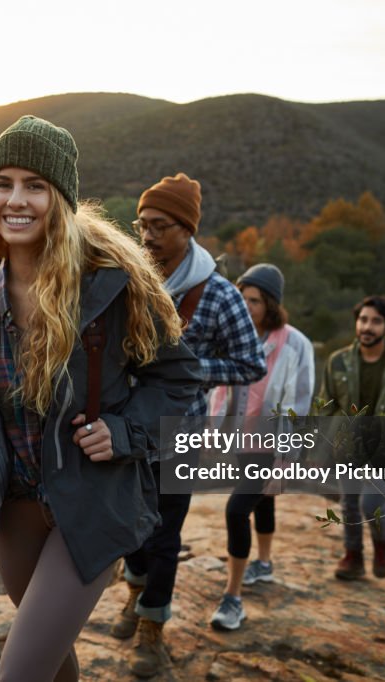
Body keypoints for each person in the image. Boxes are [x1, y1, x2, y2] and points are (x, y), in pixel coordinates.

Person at [0, 115, 202, 682]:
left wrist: (125, 432)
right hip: (13, 506)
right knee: (51, 665)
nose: (16, 199)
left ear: (61, 198)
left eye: (35, 185)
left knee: (19, 671)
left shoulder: (111, 284)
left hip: (92, 504)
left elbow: (178, 378)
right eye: (2, 183)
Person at [110, 173, 266, 677]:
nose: (147, 235)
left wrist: (190, 370)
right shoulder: (128, 277)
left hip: (183, 433)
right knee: (127, 526)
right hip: (126, 430)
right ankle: (133, 596)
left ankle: (153, 628)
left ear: (186, 229)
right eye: (142, 224)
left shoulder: (220, 295)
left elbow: (251, 363)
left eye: (158, 225)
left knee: (165, 533)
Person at [207, 263, 315, 631]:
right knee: (261, 499)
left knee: (237, 511)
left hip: (272, 443)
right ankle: (264, 563)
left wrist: (287, 459)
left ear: (271, 304)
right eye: (242, 297)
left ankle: (233, 598)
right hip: (243, 439)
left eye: (254, 299)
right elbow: (219, 389)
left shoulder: (294, 343)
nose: (247, 305)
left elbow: (298, 404)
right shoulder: (233, 336)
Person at [317, 294, 385, 580]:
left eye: (375, 322)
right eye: (363, 320)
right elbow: (326, 408)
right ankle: (353, 558)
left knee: (370, 504)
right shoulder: (338, 362)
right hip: (350, 448)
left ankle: (382, 545)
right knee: (350, 504)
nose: (367, 327)